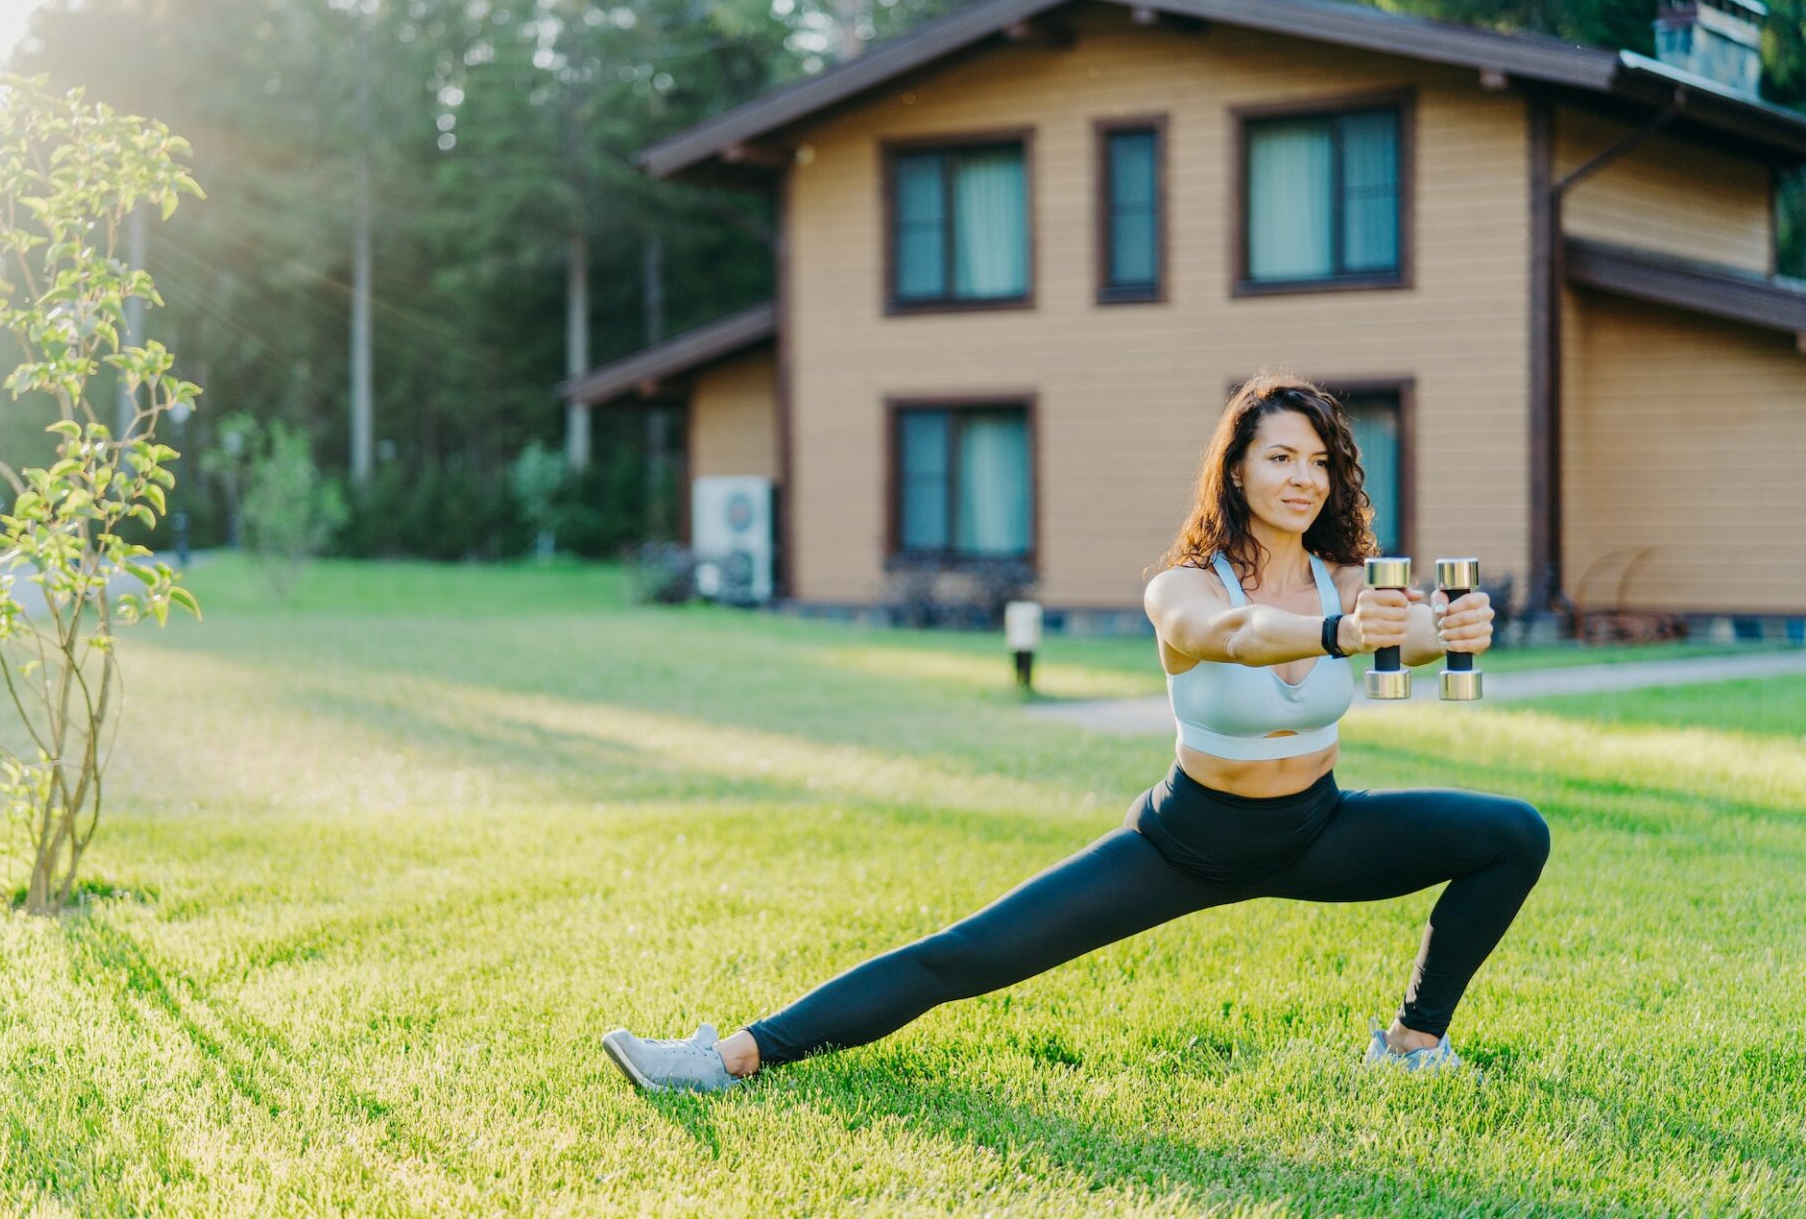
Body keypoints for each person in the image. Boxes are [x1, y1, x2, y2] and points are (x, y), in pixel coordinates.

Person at [601, 374, 1550, 1093]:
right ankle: (725, 1057)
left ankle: (1415, 1043)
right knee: (966, 955)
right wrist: (1344, 633)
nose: (1304, 478)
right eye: (1281, 457)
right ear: (1236, 467)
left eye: (1321, 461)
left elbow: (1411, 631)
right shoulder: (1183, 585)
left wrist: (1450, 629)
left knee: (1511, 833)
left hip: (1316, 829)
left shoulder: (1351, 578)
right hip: (1184, 842)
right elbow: (1233, 636)